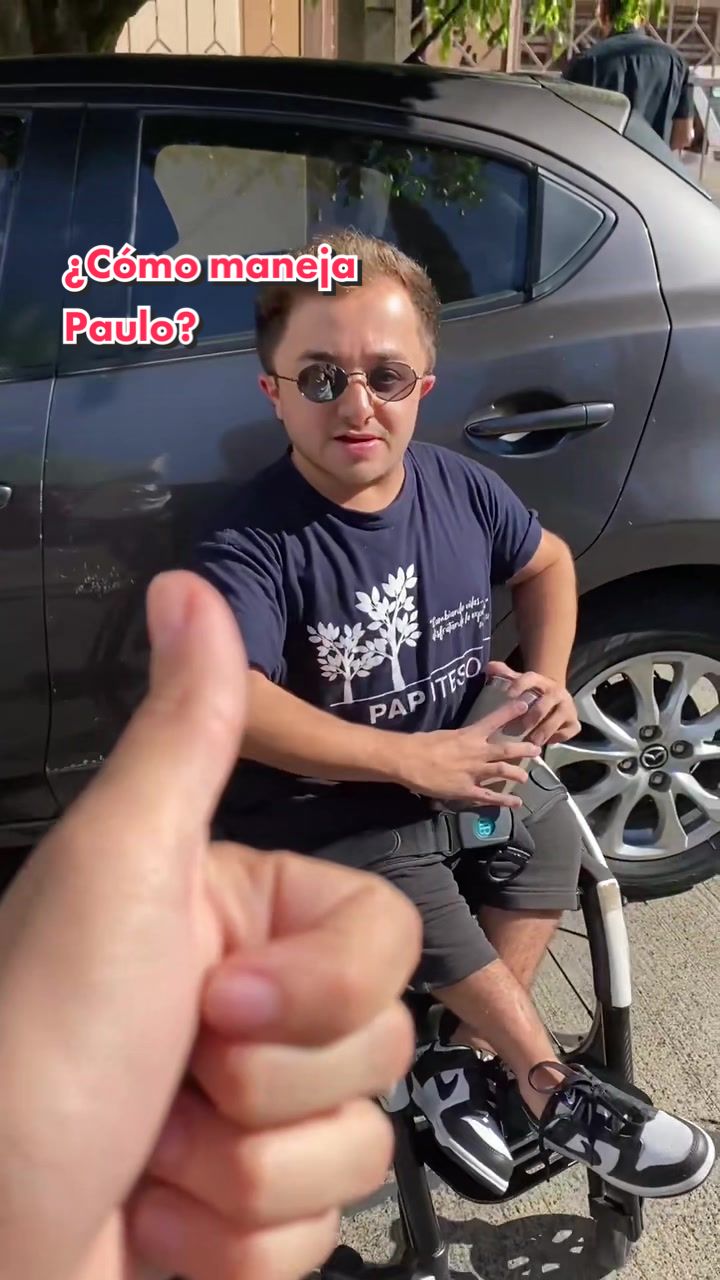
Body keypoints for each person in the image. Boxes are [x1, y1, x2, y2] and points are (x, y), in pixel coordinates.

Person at [193, 228, 714, 1202]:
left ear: (424, 385)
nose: (357, 404)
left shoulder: (459, 487)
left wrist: (547, 678)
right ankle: (547, 1081)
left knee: (545, 827)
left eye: (386, 376)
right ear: (274, 392)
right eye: (321, 378)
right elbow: (227, 698)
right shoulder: (256, 540)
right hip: (318, 801)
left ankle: (456, 1057)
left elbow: (547, 563)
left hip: (453, 758)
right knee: (399, 869)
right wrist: (409, 760)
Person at [0, 568, 422, 1280]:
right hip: (347, 822)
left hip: (442, 801)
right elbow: (249, 704)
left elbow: (546, 562)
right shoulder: (254, 546)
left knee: (514, 869)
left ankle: (517, 1073)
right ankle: (530, 1082)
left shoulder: (459, 503)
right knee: (408, 920)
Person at [563, 0, 695, 150]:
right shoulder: (677, 63)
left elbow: (567, 127)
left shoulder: (587, 62)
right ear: (643, 16)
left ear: (603, 12)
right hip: (651, 162)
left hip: (599, 162)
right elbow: (685, 136)